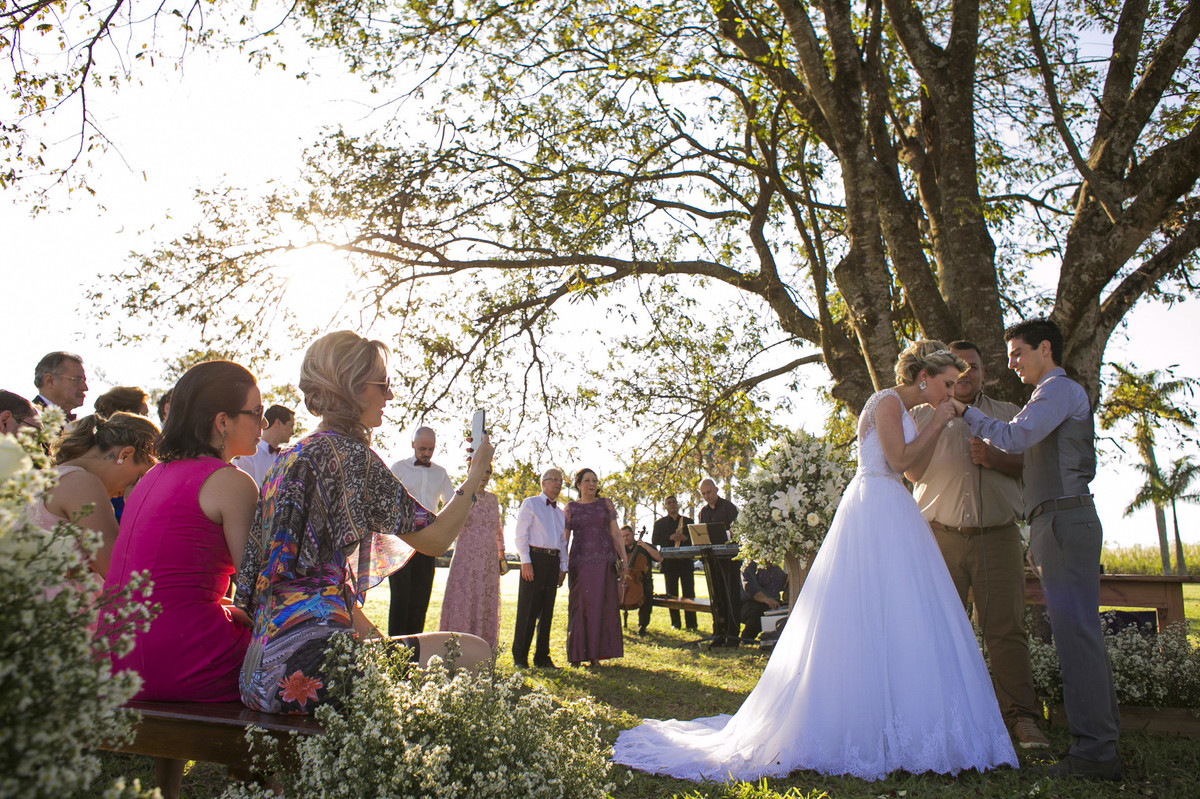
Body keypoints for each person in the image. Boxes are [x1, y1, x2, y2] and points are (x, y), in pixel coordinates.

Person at [613, 341, 1017, 781]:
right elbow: (898, 459)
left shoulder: (909, 409)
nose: (951, 393)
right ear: (925, 378)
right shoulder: (886, 402)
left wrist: (936, 425)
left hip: (896, 507)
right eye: (947, 384)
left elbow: (912, 471)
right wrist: (938, 421)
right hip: (875, 507)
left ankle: (906, 719)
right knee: (864, 609)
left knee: (903, 610)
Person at [234, 331, 494, 717]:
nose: (390, 395)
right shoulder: (353, 457)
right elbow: (436, 540)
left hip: (258, 674)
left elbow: (307, 587)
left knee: (397, 654)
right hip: (313, 669)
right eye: (383, 385)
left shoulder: (289, 457)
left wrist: (380, 645)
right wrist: (475, 476)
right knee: (476, 652)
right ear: (353, 387)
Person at [956, 319, 1120, 780]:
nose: (1012, 363)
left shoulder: (1058, 391)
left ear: (1044, 348)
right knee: (1078, 635)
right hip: (1053, 521)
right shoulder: (1045, 395)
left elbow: (1013, 439)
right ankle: (1101, 745)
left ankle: (1095, 754)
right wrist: (1037, 528)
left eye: (1017, 353)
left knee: (1076, 637)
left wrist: (963, 411)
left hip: (1066, 519)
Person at [103, 361, 264, 799]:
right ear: (222, 422)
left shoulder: (151, 475)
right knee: (285, 666)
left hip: (117, 658)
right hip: (179, 660)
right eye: (257, 413)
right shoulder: (231, 482)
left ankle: (168, 792)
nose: (263, 424)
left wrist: (219, 606)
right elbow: (256, 587)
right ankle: (256, 788)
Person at [909, 340, 1049, 750]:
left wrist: (996, 457)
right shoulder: (919, 415)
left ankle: (1022, 718)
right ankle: (943, 719)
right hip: (937, 539)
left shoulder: (1009, 414)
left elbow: (1033, 465)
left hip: (998, 537)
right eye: (958, 368)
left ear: (984, 371)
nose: (966, 374)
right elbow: (907, 467)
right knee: (938, 631)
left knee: (1006, 630)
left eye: (973, 366)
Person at [33, 412, 158, 576]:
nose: (137, 486)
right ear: (125, 455)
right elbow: (120, 572)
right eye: (139, 477)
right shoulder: (82, 484)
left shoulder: (48, 477)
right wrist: (138, 507)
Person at [388, 426, 456, 635]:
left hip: (428, 543)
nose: (426, 453)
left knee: (421, 599)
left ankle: (414, 648)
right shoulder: (399, 468)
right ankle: (394, 649)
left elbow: (451, 503)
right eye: (422, 449)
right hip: (402, 542)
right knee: (400, 598)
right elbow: (388, 501)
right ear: (413, 445)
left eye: (431, 449)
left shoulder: (440, 473)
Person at [439, 463, 505, 650]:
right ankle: (457, 648)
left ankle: (482, 649)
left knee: (485, 601)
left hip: (488, 560)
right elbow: (446, 523)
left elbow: (497, 529)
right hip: (466, 557)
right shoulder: (459, 496)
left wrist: (501, 555)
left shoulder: (493, 499)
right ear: (471, 472)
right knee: (464, 600)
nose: (485, 475)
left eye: (488, 472)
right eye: (481, 471)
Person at [565, 468, 627, 666]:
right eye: (587, 481)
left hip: (605, 562)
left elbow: (616, 533)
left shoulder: (605, 504)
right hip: (580, 564)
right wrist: (562, 564)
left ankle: (596, 656)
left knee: (602, 606)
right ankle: (577, 655)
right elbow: (564, 538)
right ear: (578, 484)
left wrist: (624, 560)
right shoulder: (571, 508)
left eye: (594, 481)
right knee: (580, 607)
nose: (592, 484)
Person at [512, 468, 567, 669]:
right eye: (553, 479)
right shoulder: (531, 503)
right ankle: (520, 657)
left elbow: (562, 542)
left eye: (560, 481)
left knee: (547, 611)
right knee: (528, 609)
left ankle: (542, 657)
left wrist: (563, 567)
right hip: (534, 559)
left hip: (553, 562)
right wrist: (525, 561)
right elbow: (521, 535)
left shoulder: (560, 513)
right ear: (543, 483)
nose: (557, 484)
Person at [698, 477, 741, 645]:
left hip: (730, 559)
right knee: (717, 597)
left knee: (731, 596)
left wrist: (726, 535)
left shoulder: (729, 508)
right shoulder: (703, 512)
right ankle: (718, 633)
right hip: (712, 560)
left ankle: (732, 635)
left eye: (709, 492)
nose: (706, 496)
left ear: (716, 489)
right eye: (703, 494)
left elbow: (737, 531)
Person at [651, 494, 696, 630]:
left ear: (678, 504)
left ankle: (691, 624)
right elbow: (655, 541)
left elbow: (696, 539)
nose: (672, 504)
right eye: (669, 502)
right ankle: (675, 623)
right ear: (665, 506)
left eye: (674, 502)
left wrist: (685, 538)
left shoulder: (689, 522)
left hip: (686, 562)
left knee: (689, 593)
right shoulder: (659, 524)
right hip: (669, 564)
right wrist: (669, 538)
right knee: (671, 594)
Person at [232, 404, 296, 488]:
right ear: (278, 423)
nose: (292, 432)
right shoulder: (247, 455)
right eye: (290, 426)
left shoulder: (284, 458)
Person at [621, 524, 661, 636]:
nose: (625, 538)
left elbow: (659, 558)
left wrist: (644, 545)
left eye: (627, 535)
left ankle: (643, 625)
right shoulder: (620, 549)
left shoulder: (645, 546)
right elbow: (615, 564)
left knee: (647, 596)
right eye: (623, 536)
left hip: (643, 580)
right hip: (625, 579)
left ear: (633, 534)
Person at [32, 351, 88, 424]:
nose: (85, 388)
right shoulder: (29, 419)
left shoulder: (75, 424)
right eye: (77, 380)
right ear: (50, 381)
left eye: (84, 381)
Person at [738, 560, 786, 643]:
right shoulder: (749, 566)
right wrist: (766, 600)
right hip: (752, 603)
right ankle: (747, 637)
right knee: (758, 611)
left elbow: (784, 584)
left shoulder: (776, 569)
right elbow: (750, 588)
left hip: (774, 603)